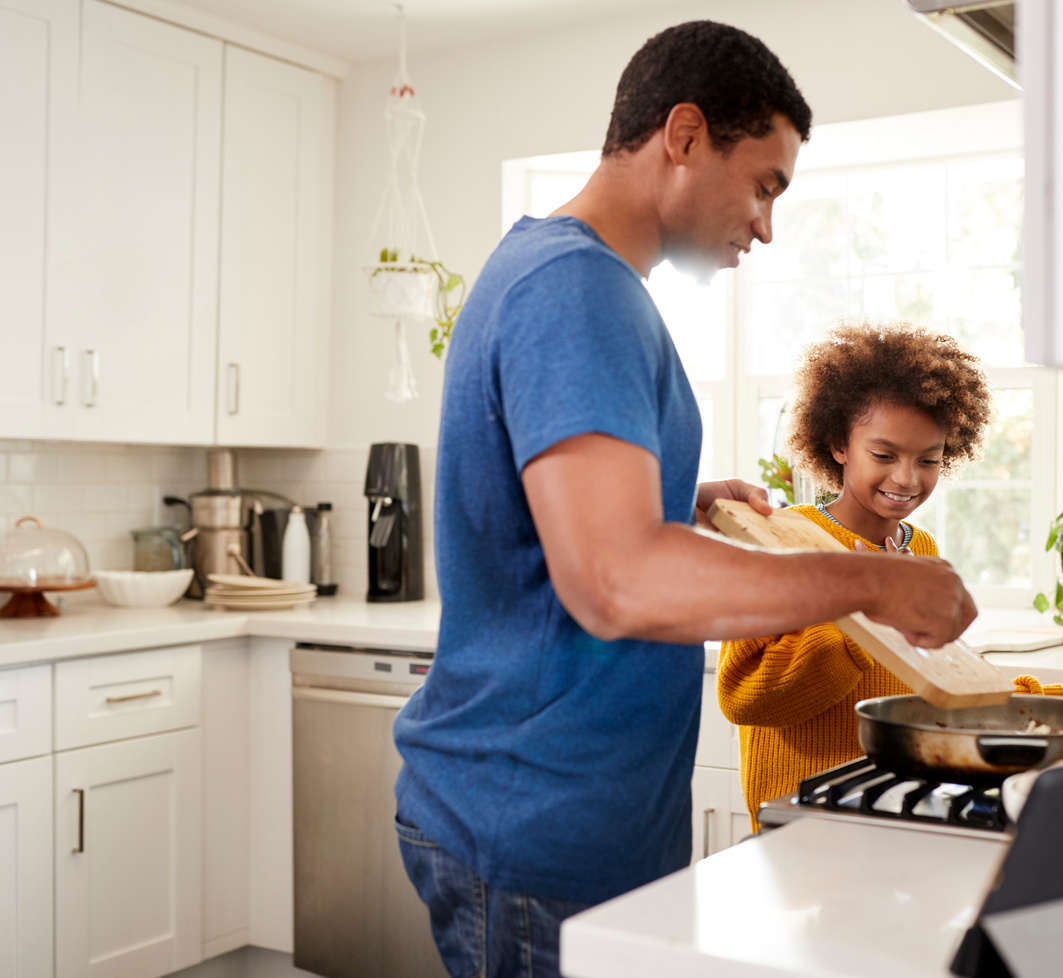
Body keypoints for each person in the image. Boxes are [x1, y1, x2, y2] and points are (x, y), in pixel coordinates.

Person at [392, 22, 978, 978]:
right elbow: (616, 582)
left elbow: (553, 513)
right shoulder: (577, 292)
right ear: (683, 135)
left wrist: (681, 494)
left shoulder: (556, 273)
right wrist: (871, 581)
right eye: (763, 184)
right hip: (537, 819)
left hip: (561, 814)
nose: (765, 223)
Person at [718, 320, 992, 822]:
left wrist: (1048, 698)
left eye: (929, 460)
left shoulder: (921, 549)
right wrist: (868, 618)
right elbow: (744, 699)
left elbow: (930, 685)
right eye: (884, 455)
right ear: (839, 445)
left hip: (896, 809)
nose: (907, 479)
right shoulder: (784, 541)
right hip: (801, 819)